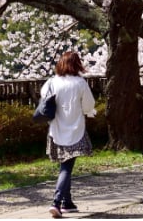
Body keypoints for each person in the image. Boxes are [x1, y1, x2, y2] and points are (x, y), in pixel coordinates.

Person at [39, 50, 98, 218]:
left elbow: (44, 100)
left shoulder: (51, 82)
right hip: (75, 130)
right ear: (77, 64)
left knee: (65, 165)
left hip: (56, 129)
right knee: (66, 167)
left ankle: (67, 202)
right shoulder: (80, 83)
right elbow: (88, 106)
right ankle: (56, 202)